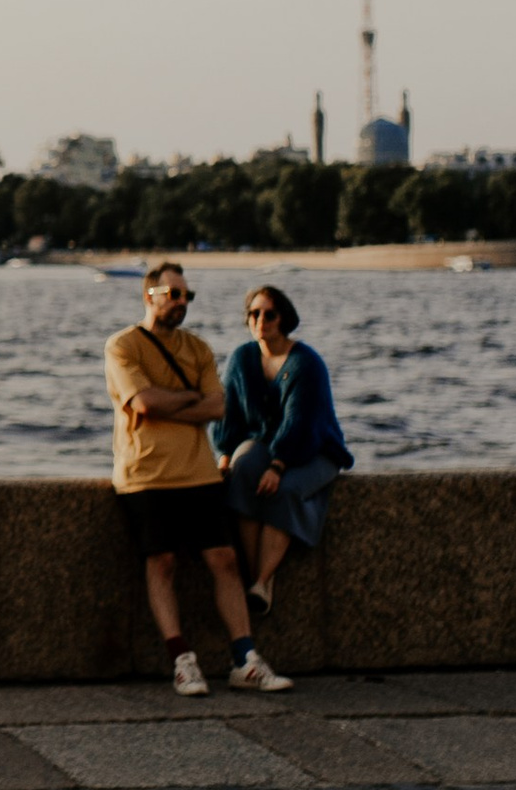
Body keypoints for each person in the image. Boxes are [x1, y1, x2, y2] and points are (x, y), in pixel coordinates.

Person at [106, 259, 288, 696]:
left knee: (224, 560)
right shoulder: (123, 346)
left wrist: (175, 403)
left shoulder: (198, 349)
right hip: (145, 474)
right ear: (149, 296)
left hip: (199, 472)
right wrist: (189, 400)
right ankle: (182, 660)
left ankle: (245, 658)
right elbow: (144, 403)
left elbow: (218, 407)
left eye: (188, 296)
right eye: (174, 295)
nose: (182, 302)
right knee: (162, 562)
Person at [219, 283, 353, 613]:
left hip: (317, 450)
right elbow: (228, 413)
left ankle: (263, 582)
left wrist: (278, 467)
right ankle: (256, 581)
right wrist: (224, 456)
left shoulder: (306, 364)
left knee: (285, 490)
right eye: (254, 313)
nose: (260, 320)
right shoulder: (241, 359)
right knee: (243, 472)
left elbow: (302, 425)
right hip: (267, 445)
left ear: (284, 319)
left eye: (269, 314)